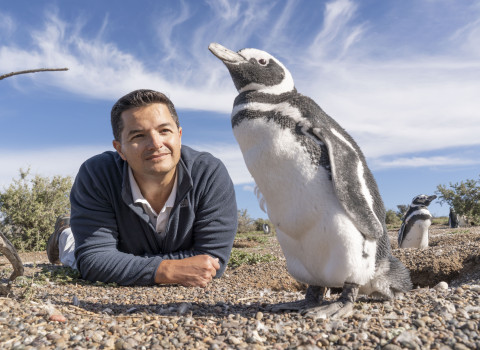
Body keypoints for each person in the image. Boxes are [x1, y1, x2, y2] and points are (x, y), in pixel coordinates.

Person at [46, 89, 238, 287]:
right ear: (120, 149)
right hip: (109, 247)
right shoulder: (97, 174)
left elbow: (212, 260)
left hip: (121, 253)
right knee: (74, 256)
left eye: (164, 131)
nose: (155, 144)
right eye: (138, 135)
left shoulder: (208, 173)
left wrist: (120, 263)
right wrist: (165, 270)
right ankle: (65, 236)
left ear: (179, 136)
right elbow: (94, 260)